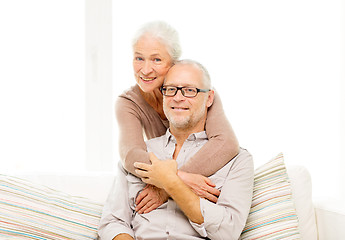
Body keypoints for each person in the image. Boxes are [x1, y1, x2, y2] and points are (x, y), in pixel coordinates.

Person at [98, 60, 254, 240]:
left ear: (209, 98)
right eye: (171, 89)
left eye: (189, 90)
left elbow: (228, 231)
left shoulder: (237, 160)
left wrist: (170, 183)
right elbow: (112, 222)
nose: (178, 98)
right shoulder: (139, 155)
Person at [116, 21, 240, 213]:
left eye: (156, 60)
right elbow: (131, 155)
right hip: (172, 179)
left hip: (209, 179)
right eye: (139, 58)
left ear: (173, 63)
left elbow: (227, 143)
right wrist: (179, 179)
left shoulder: (198, 91)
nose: (146, 70)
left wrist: (167, 186)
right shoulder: (128, 102)